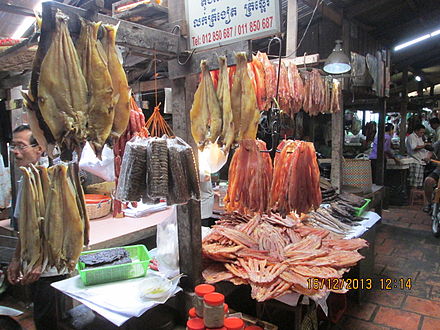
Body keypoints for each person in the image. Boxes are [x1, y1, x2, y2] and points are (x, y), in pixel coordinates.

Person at [7, 125, 67, 330]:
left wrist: (39, 262)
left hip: (49, 268)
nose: (16, 152)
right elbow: (25, 228)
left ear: (39, 149)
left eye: (21, 146)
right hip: (34, 266)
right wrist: (16, 259)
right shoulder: (26, 178)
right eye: (13, 146)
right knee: (42, 316)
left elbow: (56, 228)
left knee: (50, 320)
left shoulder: (52, 179)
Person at [405, 124, 432, 189]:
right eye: (421, 132)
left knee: (418, 183)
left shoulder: (419, 137)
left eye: (423, 132)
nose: (422, 134)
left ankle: (415, 196)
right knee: (414, 183)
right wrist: (425, 145)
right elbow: (414, 147)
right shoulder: (412, 137)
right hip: (415, 162)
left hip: (421, 161)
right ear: (416, 131)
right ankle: (412, 196)